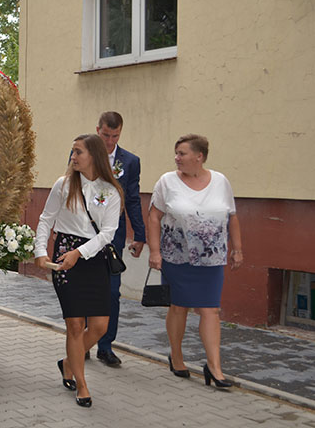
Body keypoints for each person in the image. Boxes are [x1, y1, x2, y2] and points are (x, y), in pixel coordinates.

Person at [34, 134, 122, 408]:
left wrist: (80, 254)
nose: (73, 157)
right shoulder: (63, 184)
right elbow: (46, 218)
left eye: (78, 152)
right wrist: (40, 250)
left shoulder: (110, 191)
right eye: (72, 151)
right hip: (64, 255)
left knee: (98, 327)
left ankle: (67, 362)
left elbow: (108, 233)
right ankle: (81, 384)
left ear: (94, 156)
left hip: (93, 258)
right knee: (75, 325)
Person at [148, 134, 243, 388]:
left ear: (199, 156)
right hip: (177, 257)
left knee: (210, 309)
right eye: (176, 153)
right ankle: (176, 356)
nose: (176, 158)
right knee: (179, 307)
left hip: (212, 259)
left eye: (182, 153)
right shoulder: (167, 182)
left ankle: (215, 368)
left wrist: (237, 249)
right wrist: (155, 252)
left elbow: (231, 216)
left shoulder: (221, 181)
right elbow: (154, 217)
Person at [92, 111, 146, 367]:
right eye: (105, 135)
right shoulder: (82, 152)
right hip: (84, 232)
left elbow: (133, 199)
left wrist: (140, 235)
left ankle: (105, 346)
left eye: (115, 136)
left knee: (112, 292)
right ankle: (81, 343)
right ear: (98, 130)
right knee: (85, 289)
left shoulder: (130, 161)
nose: (110, 141)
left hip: (114, 235)